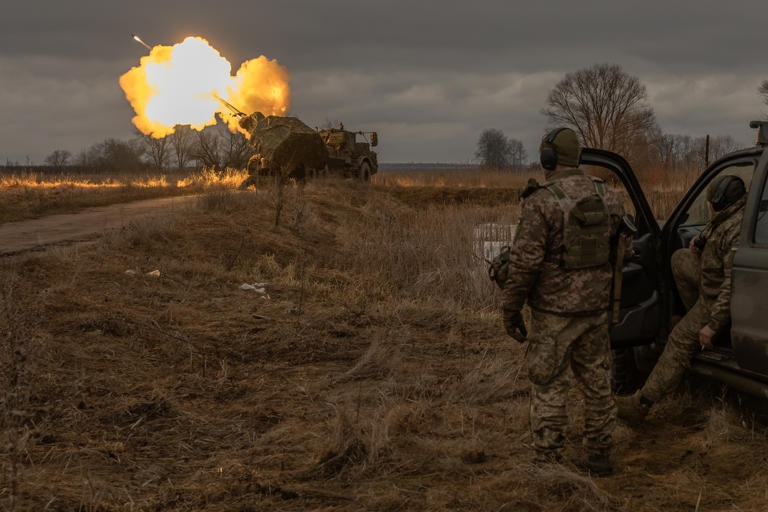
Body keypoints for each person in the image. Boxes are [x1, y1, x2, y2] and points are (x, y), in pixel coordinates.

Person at [501, 127, 626, 476]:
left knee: (549, 383)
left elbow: (524, 263)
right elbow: (618, 249)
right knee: (597, 382)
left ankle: (549, 460)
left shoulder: (541, 201)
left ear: (548, 159)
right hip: (595, 310)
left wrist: (510, 309)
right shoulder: (610, 197)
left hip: (554, 313)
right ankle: (599, 455)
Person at [616, 174, 747, 423]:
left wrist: (712, 324)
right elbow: (715, 227)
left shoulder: (736, 233)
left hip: (717, 298)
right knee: (679, 258)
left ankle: (641, 404)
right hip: (711, 282)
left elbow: (732, 286)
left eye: (710, 201)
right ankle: (695, 317)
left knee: (677, 338)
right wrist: (700, 240)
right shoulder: (732, 215)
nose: (709, 205)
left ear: (719, 201)